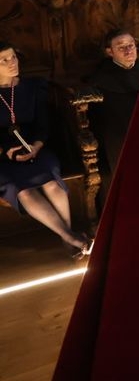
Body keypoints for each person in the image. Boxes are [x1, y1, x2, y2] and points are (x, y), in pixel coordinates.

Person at [0, 42, 91, 258]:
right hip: (3, 157)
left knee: (50, 180)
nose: (12, 63)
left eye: (13, 57)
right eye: (4, 60)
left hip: (36, 147)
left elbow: (43, 124)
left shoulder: (34, 86)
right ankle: (70, 238)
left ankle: (68, 238)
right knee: (23, 189)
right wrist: (5, 151)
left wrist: (36, 146)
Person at [86, 28, 139, 213]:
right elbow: (98, 118)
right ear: (109, 52)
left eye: (131, 45)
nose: (128, 50)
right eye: (121, 47)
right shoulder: (101, 78)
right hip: (119, 132)